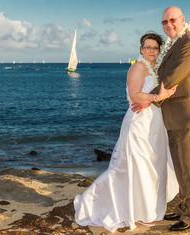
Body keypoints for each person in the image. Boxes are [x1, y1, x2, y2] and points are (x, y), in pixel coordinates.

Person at [74, 33, 179, 232]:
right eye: (147, 47)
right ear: (141, 49)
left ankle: (148, 209)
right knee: (137, 166)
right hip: (139, 123)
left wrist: (159, 97)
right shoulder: (138, 67)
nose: (150, 51)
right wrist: (157, 97)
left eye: (154, 48)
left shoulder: (156, 68)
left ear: (159, 50)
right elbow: (135, 95)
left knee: (153, 166)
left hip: (155, 123)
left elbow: (158, 92)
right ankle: (96, 204)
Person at [132, 6, 190, 231]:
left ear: (183, 20)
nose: (169, 25)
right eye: (165, 22)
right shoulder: (172, 44)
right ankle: (185, 206)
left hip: (189, 117)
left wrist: (146, 98)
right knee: (181, 167)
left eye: (173, 20)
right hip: (174, 117)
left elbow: (173, 77)